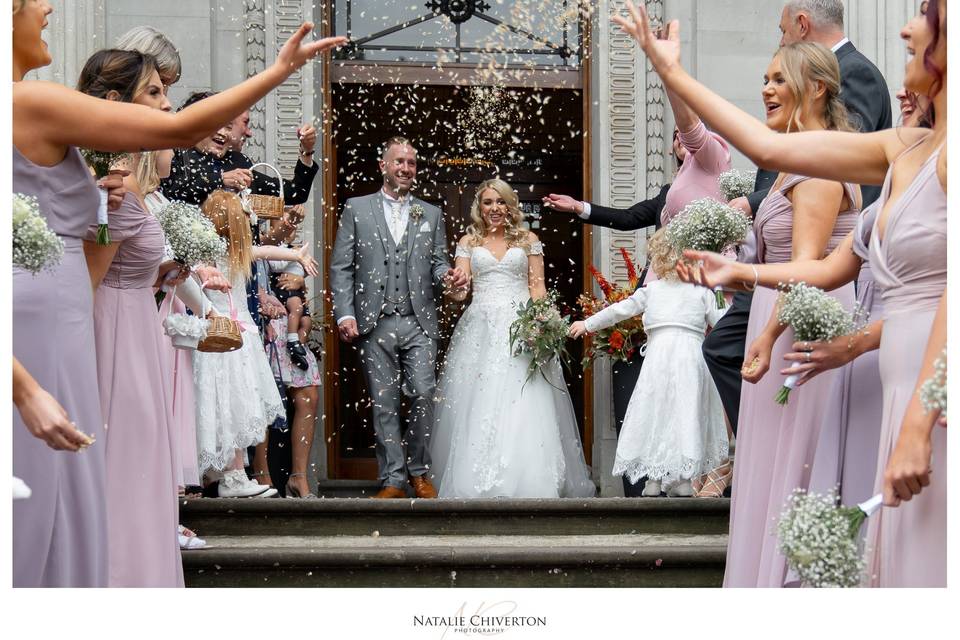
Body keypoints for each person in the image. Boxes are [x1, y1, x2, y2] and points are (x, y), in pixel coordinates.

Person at [12, 0, 343, 587]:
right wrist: (278, 71)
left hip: (66, 314)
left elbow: (88, 266)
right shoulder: (31, 101)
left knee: (67, 488)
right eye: (31, 0)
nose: (48, 7)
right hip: (48, 319)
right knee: (52, 490)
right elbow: (183, 128)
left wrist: (109, 217)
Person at [622, 0, 946, 587]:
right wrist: (670, 73)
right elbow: (771, 159)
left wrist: (919, 421)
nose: (903, 26)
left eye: (923, 17)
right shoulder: (901, 151)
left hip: (931, 382)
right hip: (893, 370)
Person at [701, 0, 893, 444]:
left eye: (778, 79)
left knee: (800, 447)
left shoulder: (825, 154)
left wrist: (768, 330)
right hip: (779, 298)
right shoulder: (794, 159)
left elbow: (813, 253)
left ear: (817, 87)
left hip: (807, 304)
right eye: (765, 80)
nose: (766, 90)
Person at [78, 48, 188, 587]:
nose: (167, 105)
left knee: (142, 468)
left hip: (135, 331)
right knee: (125, 465)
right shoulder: (112, 189)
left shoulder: (125, 182)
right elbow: (86, 282)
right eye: (155, 93)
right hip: (114, 340)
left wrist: (162, 270)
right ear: (116, 103)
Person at [430, 179, 595, 499]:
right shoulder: (469, 241)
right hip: (480, 328)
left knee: (524, 399)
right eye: (488, 203)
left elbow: (537, 288)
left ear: (510, 206)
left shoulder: (528, 239)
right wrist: (454, 285)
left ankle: (528, 477)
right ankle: (474, 479)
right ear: (480, 208)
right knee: (478, 399)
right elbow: (460, 292)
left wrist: (542, 324)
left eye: (501, 202)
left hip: (521, 328)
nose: (495, 209)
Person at [330, 136, 467, 499]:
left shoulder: (430, 213)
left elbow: (438, 262)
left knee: (424, 394)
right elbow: (342, 267)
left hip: (418, 321)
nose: (406, 168)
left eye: (412, 163)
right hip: (374, 323)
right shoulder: (357, 209)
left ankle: (419, 472)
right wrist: (344, 313)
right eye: (399, 162)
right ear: (383, 165)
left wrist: (447, 275)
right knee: (384, 400)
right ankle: (392, 478)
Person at [569, 229, 726, 498]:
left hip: (660, 359)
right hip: (690, 358)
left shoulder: (652, 290)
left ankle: (655, 480)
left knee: (657, 412)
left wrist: (588, 324)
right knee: (686, 414)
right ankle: (683, 479)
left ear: (659, 258)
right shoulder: (703, 292)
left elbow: (619, 311)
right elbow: (723, 322)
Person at [194, 191, 319, 497]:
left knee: (236, 405)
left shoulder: (237, 252)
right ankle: (222, 474)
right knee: (221, 405)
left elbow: (264, 251)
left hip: (241, 339)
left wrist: (296, 256)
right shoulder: (208, 255)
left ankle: (232, 474)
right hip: (220, 337)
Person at [267, 210, 312, 370]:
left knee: (307, 321)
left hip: (296, 291)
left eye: (292, 228)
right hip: (282, 288)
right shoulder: (271, 249)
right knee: (297, 308)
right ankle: (292, 339)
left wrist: (302, 276)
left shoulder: (295, 249)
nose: (288, 232)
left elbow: (306, 267)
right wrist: (293, 256)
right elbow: (275, 265)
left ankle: (297, 347)